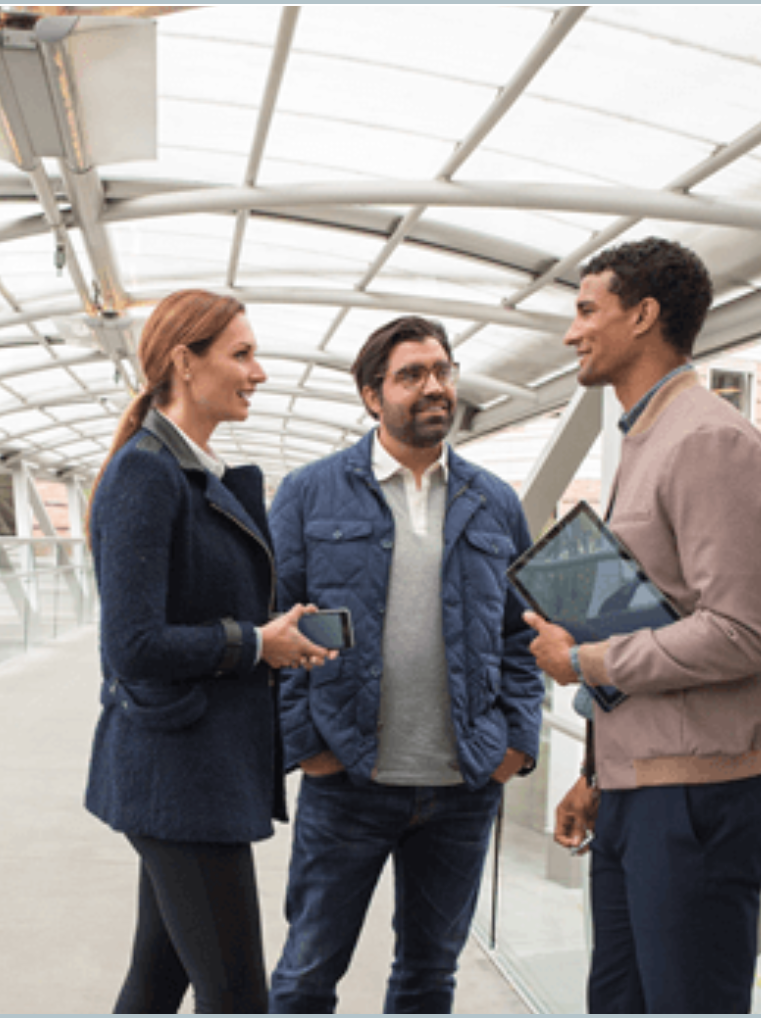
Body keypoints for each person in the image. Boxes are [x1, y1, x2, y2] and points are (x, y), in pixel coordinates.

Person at [524, 237, 761, 1013]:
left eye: (586, 310)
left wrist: (584, 661)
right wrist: (595, 777)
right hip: (640, 790)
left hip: (698, 802)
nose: (571, 332)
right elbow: (669, 607)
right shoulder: (645, 437)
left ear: (643, 315)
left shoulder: (708, 440)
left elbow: (744, 635)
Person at [266, 315, 543, 1014]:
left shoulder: (495, 501)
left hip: (463, 784)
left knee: (427, 981)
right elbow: (274, 625)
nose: (435, 387)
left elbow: (523, 634)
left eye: (443, 371)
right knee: (305, 977)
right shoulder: (308, 493)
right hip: (348, 778)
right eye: (412, 374)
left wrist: (515, 744)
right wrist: (309, 747)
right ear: (371, 395)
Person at [84, 289, 337, 1014]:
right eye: (242, 354)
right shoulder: (147, 473)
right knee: (236, 997)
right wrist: (258, 644)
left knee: (158, 981)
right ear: (184, 363)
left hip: (193, 767)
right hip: (179, 774)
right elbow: (132, 645)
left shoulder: (188, 470)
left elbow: (189, 614)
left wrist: (275, 635)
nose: (259, 373)